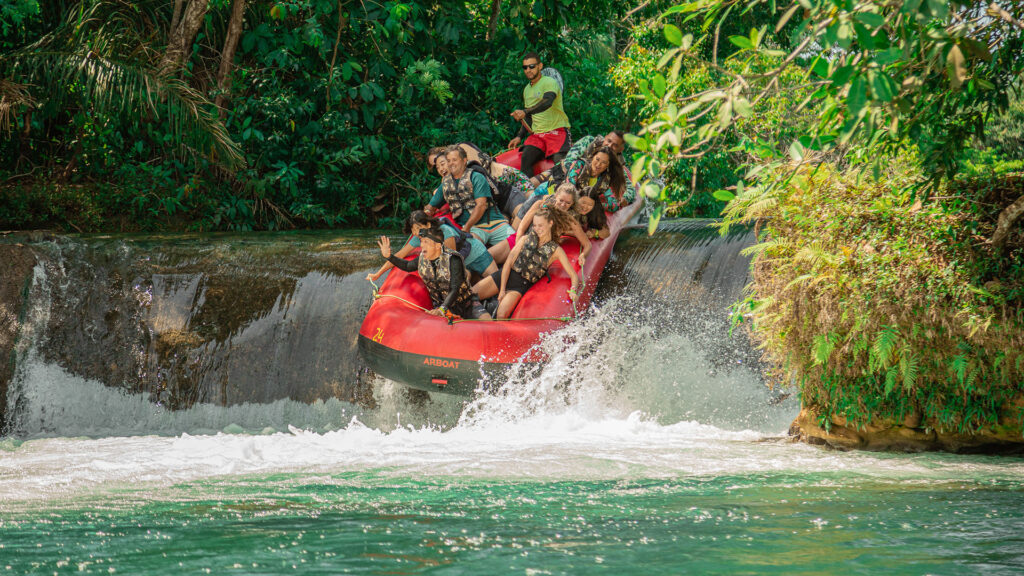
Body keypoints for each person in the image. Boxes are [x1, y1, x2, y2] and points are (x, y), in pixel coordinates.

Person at [473, 206, 579, 320]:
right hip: (504, 276)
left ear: (550, 223)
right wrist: (502, 289)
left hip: (519, 286)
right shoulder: (525, 239)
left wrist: (573, 290)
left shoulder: (556, 250)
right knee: (470, 294)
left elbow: (573, 275)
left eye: (540, 225)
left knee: (501, 315)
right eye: (535, 225)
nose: (537, 229)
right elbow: (508, 263)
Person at [376, 226, 489, 320]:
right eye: (421, 242)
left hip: (465, 304)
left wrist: (442, 309)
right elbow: (407, 266)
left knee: (486, 320)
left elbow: (455, 288)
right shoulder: (422, 259)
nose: (422, 246)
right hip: (442, 307)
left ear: (438, 246)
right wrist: (389, 256)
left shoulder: (453, 259)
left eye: (426, 242)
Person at [366, 211, 498, 283]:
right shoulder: (420, 238)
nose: (416, 233)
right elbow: (400, 255)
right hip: (463, 264)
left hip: (476, 254)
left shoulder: (444, 231)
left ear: (428, 225)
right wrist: (378, 273)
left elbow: (450, 257)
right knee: (468, 280)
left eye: (418, 228)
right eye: (413, 230)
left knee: (495, 279)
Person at [424, 146, 515, 247]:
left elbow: (481, 205)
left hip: (495, 223)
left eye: (454, 160)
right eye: (449, 161)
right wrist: (427, 214)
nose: (450, 164)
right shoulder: (445, 185)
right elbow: (430, 207)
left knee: (516, 243)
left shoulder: (476, 176)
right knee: (472, 248)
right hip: (475, 229)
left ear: (464, 161)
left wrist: (466, 228)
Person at [507, 52, 571, 177]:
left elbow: (547, 102)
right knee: (525, 160)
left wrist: (524, 112)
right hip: (538, 135)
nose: (528, 70)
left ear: (540, 66)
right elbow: (529, 117)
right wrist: (519, 136)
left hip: (556, 131)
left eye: (532, 66)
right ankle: (532, 194)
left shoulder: (549, 82)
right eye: (525, 67)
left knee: (561, 166)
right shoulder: (527, 89)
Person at [501, 183, 591, 266]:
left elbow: (587, 245)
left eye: (568, 203)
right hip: (522, 237)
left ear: (572, 203)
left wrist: (583, 255)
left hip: (538, 249)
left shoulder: (570, 220)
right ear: (556, 197)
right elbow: (521, 228)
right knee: (492, 257)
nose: (563, 205)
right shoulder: (540, 205)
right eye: (561, 200)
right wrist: (518, 248)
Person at [540, 145, 628, 212]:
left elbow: (614, 205)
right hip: (552, 191)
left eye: (603, 162)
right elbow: (569, 189)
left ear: (608, 165)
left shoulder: (605, 181)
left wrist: (594, 204)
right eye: (597, 159)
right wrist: (585, 202)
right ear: (592, 157)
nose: (598, 165)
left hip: (570, 204)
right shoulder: (579, 165)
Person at [561, 130, 637, 204]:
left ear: (621, 149)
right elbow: (569, 161)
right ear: (605, 137)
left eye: (615, 145)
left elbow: (630, 187)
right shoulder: (589, 141)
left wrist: (626, 198)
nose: (610, 146)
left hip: (588, 191)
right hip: (565, 176)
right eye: (609, 141)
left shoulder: (616, 164)